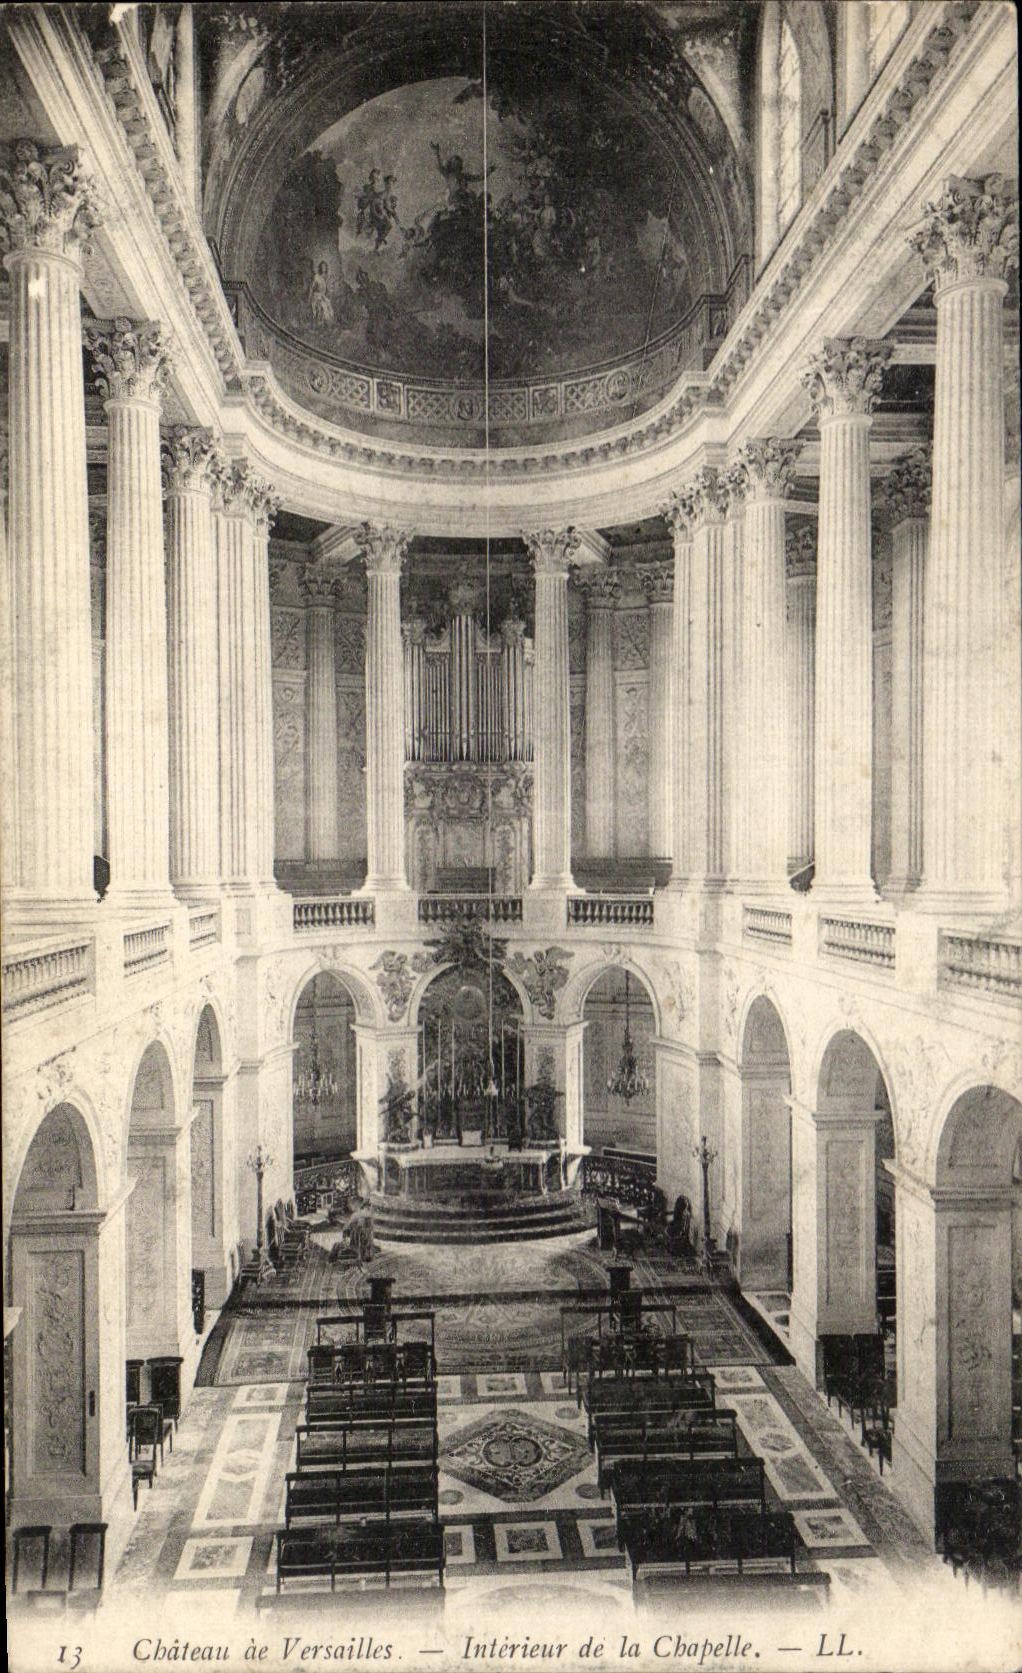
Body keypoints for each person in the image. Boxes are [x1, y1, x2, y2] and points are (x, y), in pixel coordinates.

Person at [308, 261, 333, 326]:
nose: (323, 268)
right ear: (320, 268)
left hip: (323, 296)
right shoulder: (316, 276)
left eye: (324, 267)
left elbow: (327, 289)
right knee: (322, 307)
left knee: (329, 306)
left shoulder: (326, 277)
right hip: (316, 296)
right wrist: (309, 298)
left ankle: (326, 325)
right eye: (322, 267)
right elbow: (311, 288)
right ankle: (319, 325)